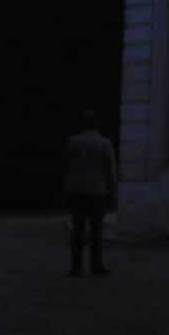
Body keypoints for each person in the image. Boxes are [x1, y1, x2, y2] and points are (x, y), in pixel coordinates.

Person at [64, 110, 117, 277]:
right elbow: (110, 171)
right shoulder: (105, 143)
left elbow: (67, 167)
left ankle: (76, 266)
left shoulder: (73, 142)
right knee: (96, 231)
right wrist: (112, 193)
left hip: (77, 190)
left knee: (77, 230)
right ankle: (96, 264)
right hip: (97, 191)